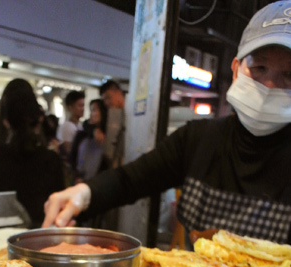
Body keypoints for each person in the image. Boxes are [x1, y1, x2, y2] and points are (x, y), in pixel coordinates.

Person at [43, 1, 291, 246]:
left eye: (289, 74)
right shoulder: (199, 139)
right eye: (259, 67)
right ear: (236, 70)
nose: (270, 85)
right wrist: (84, 194)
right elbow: (132, 179)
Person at [0, 79, 64, 226]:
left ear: (6, 122)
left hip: (0, 242)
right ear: (39, 118)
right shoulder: (51, 160)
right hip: (41, 242)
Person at [70, 99, 108, 182]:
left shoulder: (108, 135)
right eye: (90, 110)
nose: (91, 114)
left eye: (94, 110)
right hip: (80, 181)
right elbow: (72, 158)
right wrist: (77, 177)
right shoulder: (82, 134)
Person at [99, 79, 126, 169]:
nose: (106, 102)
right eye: (104, 100)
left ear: (119, 93)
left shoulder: (131, 113)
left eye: (108, 97)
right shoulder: (111, 115)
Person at [57, 90, 85, 161]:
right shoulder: (67, 126)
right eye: (79, 106)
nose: (82, 109)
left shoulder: (78, 124)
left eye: (83, 105)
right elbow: (69, 152)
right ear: (70, 108)